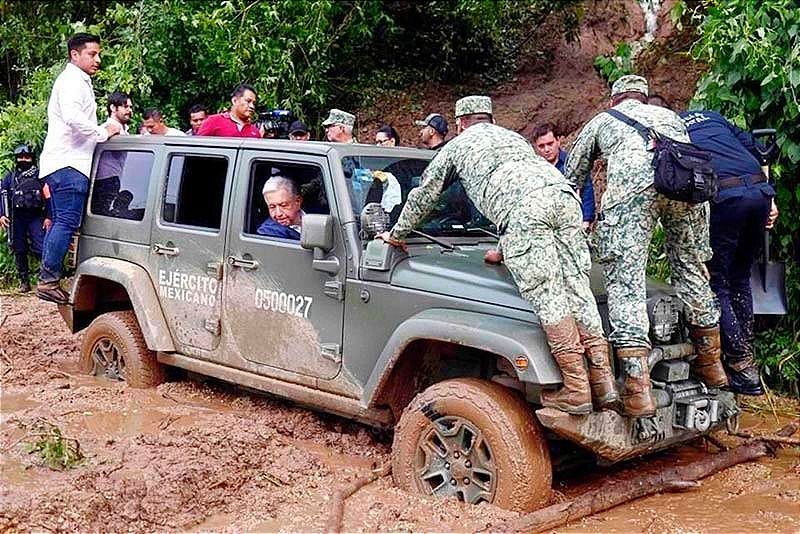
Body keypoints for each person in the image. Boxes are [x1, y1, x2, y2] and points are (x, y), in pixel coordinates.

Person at [378, 96, 618, 415]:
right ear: (491, 119)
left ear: (460, 123)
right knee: (578, 288)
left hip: (526, 213)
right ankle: (604, 383)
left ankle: (576, 389)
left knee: (548, 295)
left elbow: (426, 195)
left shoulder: (458, 146)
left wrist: (396, 234)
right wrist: (504, 250)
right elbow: (524, 191)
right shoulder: (513, 139)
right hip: (564, 199)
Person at [565, 75, 726, 416]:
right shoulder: (670, 117)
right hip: (685, 187)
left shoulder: (604, 120)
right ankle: (712, 366)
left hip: (633, 194)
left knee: (626, 281)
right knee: (692, 270)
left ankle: (638, 390)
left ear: (615, 100)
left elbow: (572, 176)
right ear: (643, 97)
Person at [680, 109, 779, 395]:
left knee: (718, 281)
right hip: (759, 193)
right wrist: (770, 198)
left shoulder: (673, 127)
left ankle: (740, 365)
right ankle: (746, 357)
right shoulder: (713, 116)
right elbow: (756, 149)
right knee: (740, 276)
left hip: (726, 198)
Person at [36, 33, 121, 304]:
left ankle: (50, 277)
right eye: (92, 54)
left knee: (63, 221)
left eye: (98, 54)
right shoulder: (72, 81)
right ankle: (48, 280)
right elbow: (73, 118)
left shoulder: (76, 81)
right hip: (69, 164)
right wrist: (103, 132)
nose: (98, 60)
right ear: (75, 54)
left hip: (66, 163)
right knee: (66, 221)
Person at [0, 145, 50, 292]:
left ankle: (46, 280)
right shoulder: (10, 177)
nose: (23, 160)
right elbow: (2, 195)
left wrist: (49, 217)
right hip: (16, 218)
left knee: (41, 247)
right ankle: (24, 282)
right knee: (19, 249)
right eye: (21, 157)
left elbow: (48, 197)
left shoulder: (40, 176)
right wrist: (2, 215)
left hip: (36, 216)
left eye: (27, 157)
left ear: (32, 158)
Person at [532, 123, 595, 230]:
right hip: (546, 226)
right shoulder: (534, 169)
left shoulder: (574, 163)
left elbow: (586, 191)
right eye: (541, 146)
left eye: (550, 144)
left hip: (573, 224)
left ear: (558, 140)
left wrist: (586, 221)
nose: (546, 149)